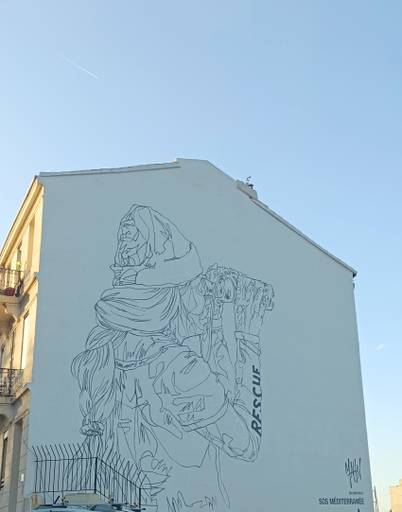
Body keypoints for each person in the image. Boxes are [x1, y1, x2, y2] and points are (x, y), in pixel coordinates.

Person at [72, 205, 274, 510]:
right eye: (193, 285)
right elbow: (247, 443)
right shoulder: (176, 368)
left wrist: (217, 320)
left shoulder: (104, 351)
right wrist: (248, 338)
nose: (199, 297)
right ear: (170, 293)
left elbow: (209, 392)